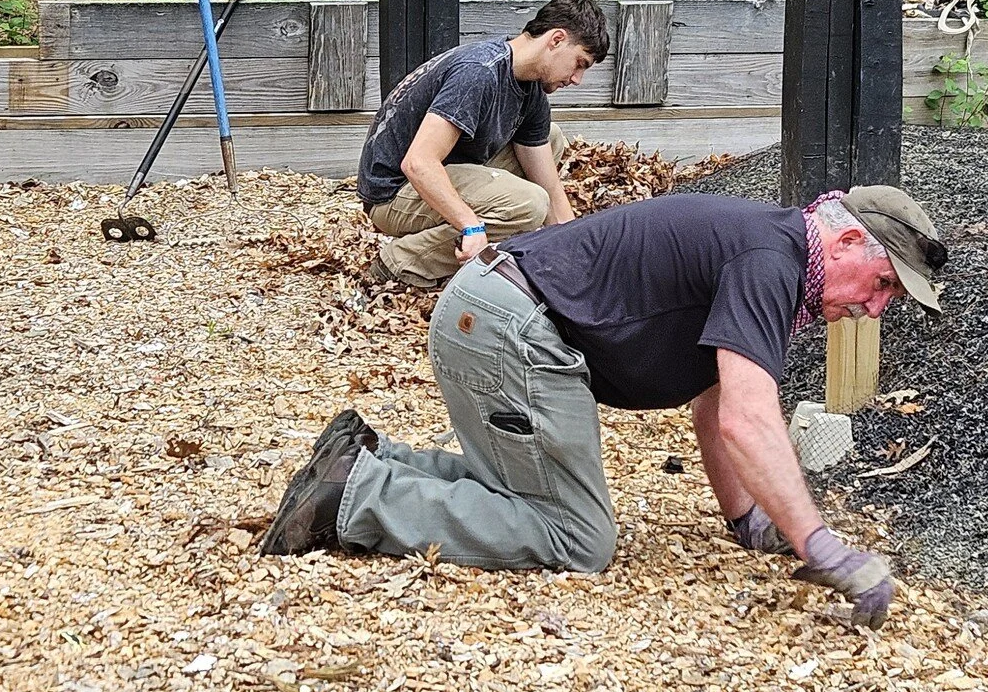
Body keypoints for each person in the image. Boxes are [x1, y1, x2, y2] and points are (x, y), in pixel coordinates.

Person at [259, 185, 947, 629]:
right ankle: (360, 497)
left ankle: (373, 460)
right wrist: (818, 544)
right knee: (576, 538)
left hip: (491, 310)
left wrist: (747, 519)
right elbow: (749, 418)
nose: (876, 307)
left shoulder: (769, 250)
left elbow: (714, 408)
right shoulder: (773, 262)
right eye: (884, 284)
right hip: (512, 331)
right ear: (851, 240)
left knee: (524, 496)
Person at [357, 0, 610, 288]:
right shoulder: (479, 72)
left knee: (550, 139)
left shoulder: (530, 89)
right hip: (393, 194)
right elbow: (418, 163)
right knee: (529, 205)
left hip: (444, 172)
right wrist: (472, 225)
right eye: (579, 63)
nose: (577, 78)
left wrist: (579, 258)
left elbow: (549, 184)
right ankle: (399, 261)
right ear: (555, 40)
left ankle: (469, 230)